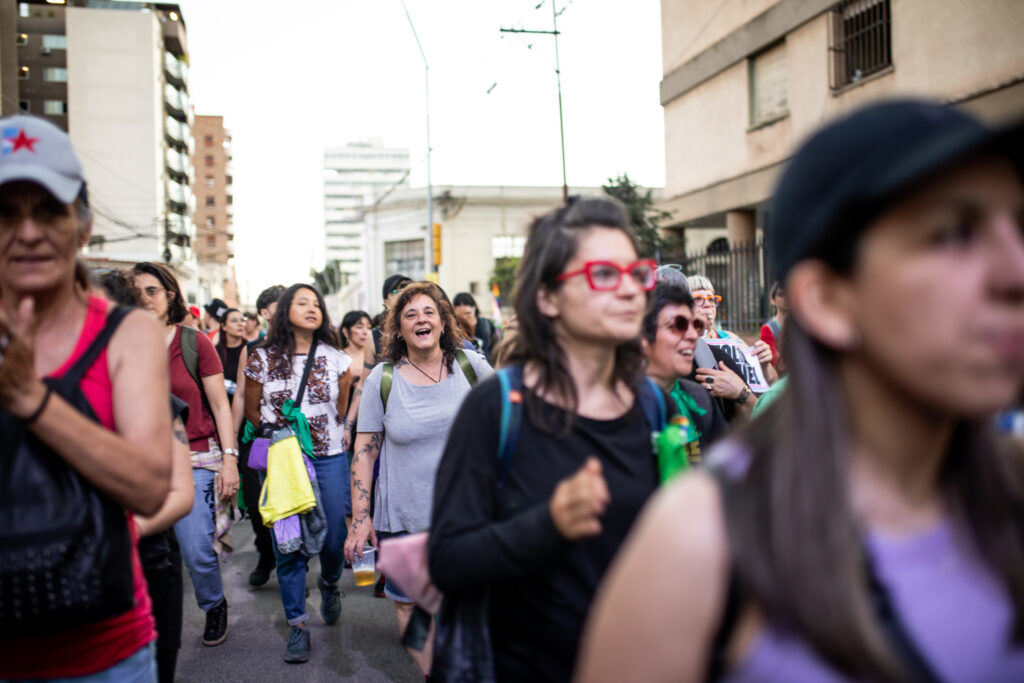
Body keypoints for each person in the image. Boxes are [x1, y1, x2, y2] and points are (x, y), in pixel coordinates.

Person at [578, 100, 1024, 682]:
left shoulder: (1011, 495)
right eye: (954, 233)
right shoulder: (699, 544)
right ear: (826, 298)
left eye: (1018, 225)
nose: (1014, 270)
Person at [428, 197, 671, 682]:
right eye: (604, 274)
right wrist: (549, 524)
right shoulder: (496, 407)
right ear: (547, 297)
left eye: (636, 273)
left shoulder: (651, 403)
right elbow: (448, 559)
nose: (629, 291)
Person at [0, 114, 172, 679]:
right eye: (6, 212)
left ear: (83, 225)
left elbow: (149, 487)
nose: (27, 232)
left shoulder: (127, 333)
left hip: (105, 658)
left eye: (48, 210)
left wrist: (33, 400)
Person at [346, 281, 493, 676]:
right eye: (410, 314)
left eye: (429, 312)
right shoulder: (383, 378)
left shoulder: (471, 366)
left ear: (444, 322)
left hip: (467, 520)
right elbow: (365, 450)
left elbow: (508, 422)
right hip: (404, 519)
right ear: (399, 329)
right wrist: (361, 517)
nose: (421, 319)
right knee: (410, 607)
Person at [243, 283, 354, 664]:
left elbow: (340, 407)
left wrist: (316, 434)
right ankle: (298, 626)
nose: (311, 307)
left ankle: (329, 582)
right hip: (283, 460)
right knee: (287, 546)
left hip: (328, 456)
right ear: (283, 310)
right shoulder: (260, 358)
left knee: (334, 537)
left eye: (316, 303)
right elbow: (252, 410)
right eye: (301, 302)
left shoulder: (337, 358)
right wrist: (285, 437)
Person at [131, 261, 239, 648]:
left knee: (196, 549)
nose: (144, 299)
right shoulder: (123, 344)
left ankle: (214, 604)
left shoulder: (195, 343)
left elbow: (221, 406)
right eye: (136, 292)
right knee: (148, 553)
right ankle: (150, 621)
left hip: (195, 456)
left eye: (152, 291)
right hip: (142, 463)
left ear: (171, 295)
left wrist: (230, 459)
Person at [95, 268, 196, 683]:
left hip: (149, 565)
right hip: (74, 574)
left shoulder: (156, 401)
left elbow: (180, 494)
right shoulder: (46, 398)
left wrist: (121, 534)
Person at [642, 282, 728, 464]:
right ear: (643, 337)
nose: (691, 335)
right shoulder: (618, 404)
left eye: (695, 325)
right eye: (677, 325)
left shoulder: (700, 399)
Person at [239, 283, 286, 588]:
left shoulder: (304, 346)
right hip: (255, 437)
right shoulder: (252, 350)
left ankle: (289, 565)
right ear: (264, 313)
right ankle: (265, 553)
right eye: (279, 305)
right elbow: (242, 398)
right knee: (257, 505)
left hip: (291, 440)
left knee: (289, 503)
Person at [453, 291, 502, 363]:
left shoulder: (486, 325)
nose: (464, 318)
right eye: (460, 315)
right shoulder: (453, 329)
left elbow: (497, 349)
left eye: (468, 313)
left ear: (474, 307)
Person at [760, 281, 787, 374]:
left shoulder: (803, 324)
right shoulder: (768, 329)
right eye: (781, 294)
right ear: (772, 300)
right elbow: (772, 362)